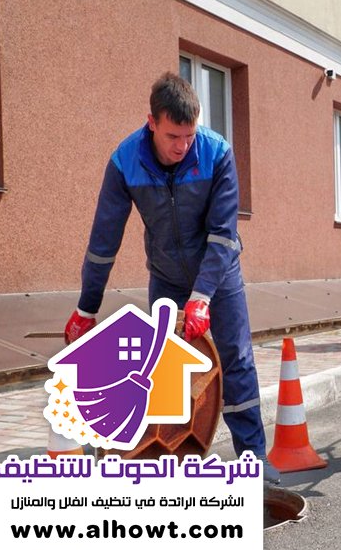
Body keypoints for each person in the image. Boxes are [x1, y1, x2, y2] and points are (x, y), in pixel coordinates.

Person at [64, 72, 279, 483]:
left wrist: (202, 296)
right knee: (166, 371)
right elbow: (103, 241)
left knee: (236, 358)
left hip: (219, 275)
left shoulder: (217, 153)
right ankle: (174, 462)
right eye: (173, 136)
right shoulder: (124, 162)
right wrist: (86, 308)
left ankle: (254, 458)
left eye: (189, 135)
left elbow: (223, 234)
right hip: (165, 277)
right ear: (152, 123)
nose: (182, 146)